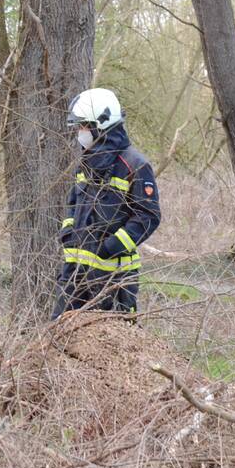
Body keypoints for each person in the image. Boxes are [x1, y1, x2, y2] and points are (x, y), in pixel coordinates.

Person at [52, 87, 161, 319]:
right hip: (74, 274)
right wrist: (68, 232)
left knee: (112, 345)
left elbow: (148, 217)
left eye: (82, 126)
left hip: (114, 279)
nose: (79, 133)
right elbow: (73, 202)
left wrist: (110, 248)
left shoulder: (135, 164)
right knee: (59, 332)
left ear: (100, 124)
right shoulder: (87, 162)